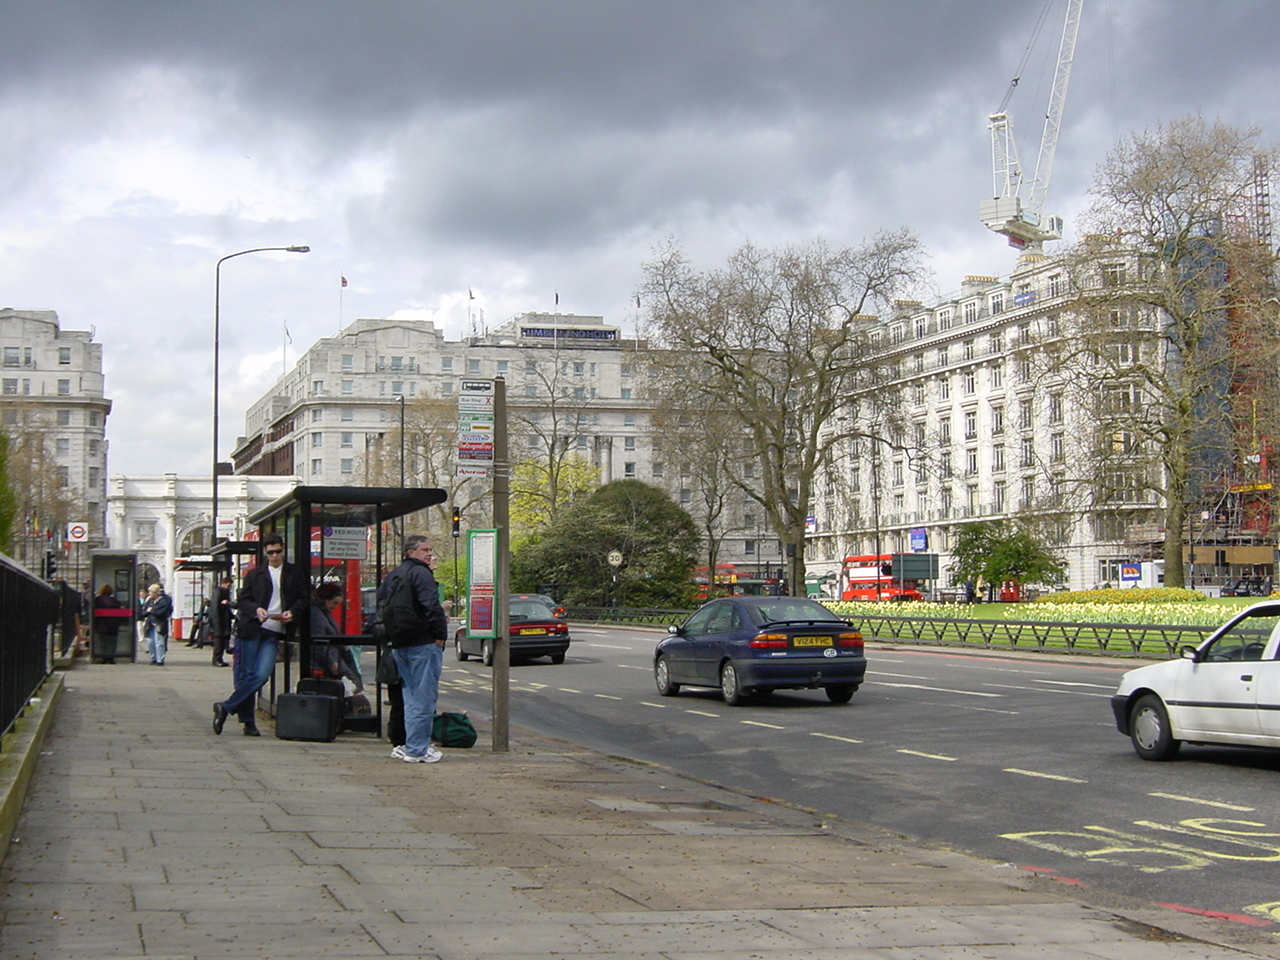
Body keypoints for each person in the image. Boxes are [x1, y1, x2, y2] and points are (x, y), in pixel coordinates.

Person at [212, 534, 307, 737]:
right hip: (253, 628)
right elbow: (244, 600)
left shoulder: (294, 572)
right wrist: (256, 610)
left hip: (275, 630)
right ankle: (248, 722)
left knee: (261, 675)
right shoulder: (255, 574)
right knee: (246, 675)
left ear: (283, 550)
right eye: (270, 552)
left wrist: (293, 611)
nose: (274, 556)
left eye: (278, 551)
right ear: (265, 552)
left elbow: (303, 597)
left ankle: (226, 707)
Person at [377, 535, 449, 763]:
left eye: (430, 549)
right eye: (425, 550)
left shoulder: (395, 574)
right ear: (411, 552)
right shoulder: (421, 574)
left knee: (409, 698)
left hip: (400, 644)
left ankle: (409, 744)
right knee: (424, 698)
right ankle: (417, 749)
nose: (430, 554)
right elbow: (430, 605)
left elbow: (380, 602)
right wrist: (440, 635)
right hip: (423, 644)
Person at [310, 582, 363, 692]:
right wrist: (331, 662)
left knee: (352, 681)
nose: (335, 607)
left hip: (334, 655)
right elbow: (318, 642)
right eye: (334, 603)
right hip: (331, 658)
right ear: (326, 600)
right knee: (352, 682)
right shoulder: (317, 614)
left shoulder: (322, 612)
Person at [142, 583, 173, 666]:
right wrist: (148, 611)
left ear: (156, 593)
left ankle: (160, 660)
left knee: (159, 642)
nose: (149, 594)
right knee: (150, 642)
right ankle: (153, 658)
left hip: (159, 624)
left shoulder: (163, 601)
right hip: (150, 624)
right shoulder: (149, 600)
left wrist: (151, 611)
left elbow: (161, 612)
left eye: (151, 592)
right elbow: (144, 611)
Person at [92, 584, 123, 664]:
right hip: (113, 626)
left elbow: (94, 613)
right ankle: (111, 658)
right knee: (112, 643)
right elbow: (119, 613)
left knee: (103, 643)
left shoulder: (98, 600)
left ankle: (103, 657)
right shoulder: (115, 600)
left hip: (101, 625)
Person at [209, 575, 233, 667]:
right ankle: (217, 659)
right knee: (219, 641)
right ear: (224, 583)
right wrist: (217, 621)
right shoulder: (219, 592)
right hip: (219, 621)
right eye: (228, 585)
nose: (229, 587)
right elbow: (215, 608)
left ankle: (219, 658)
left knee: (222, 641)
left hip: (223, 621)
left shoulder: (223, 592)